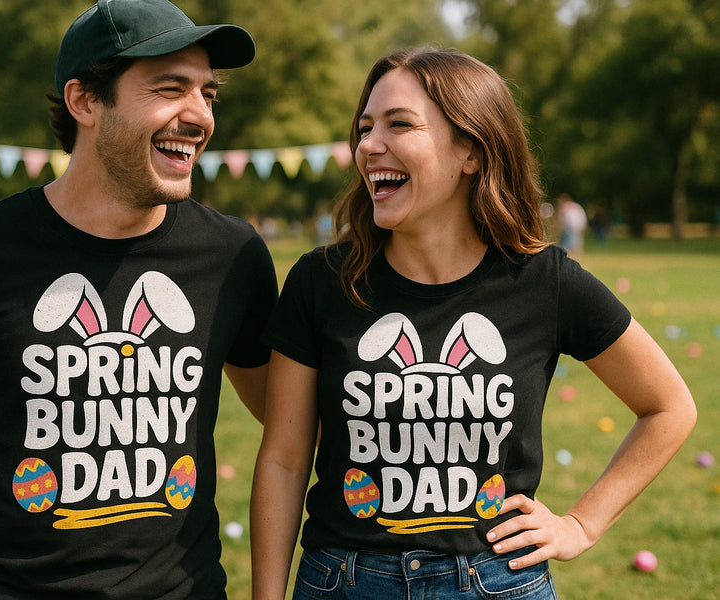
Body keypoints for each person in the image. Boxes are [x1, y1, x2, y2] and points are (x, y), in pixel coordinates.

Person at [250, 47, 696, 600]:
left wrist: (581, 524)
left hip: (493, 582)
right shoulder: (320, 282)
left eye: (399, 124)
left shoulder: (544, 282)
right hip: (342, 581)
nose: (368, 145)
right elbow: (284, 459)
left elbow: (669, 407)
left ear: (471, 151)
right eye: (365, 127)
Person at [0, 1, 277, 598]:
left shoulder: (232, 256)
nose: (199, 116)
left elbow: (297, 423)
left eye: (207, 94)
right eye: (170, 89)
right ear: (85, 101)